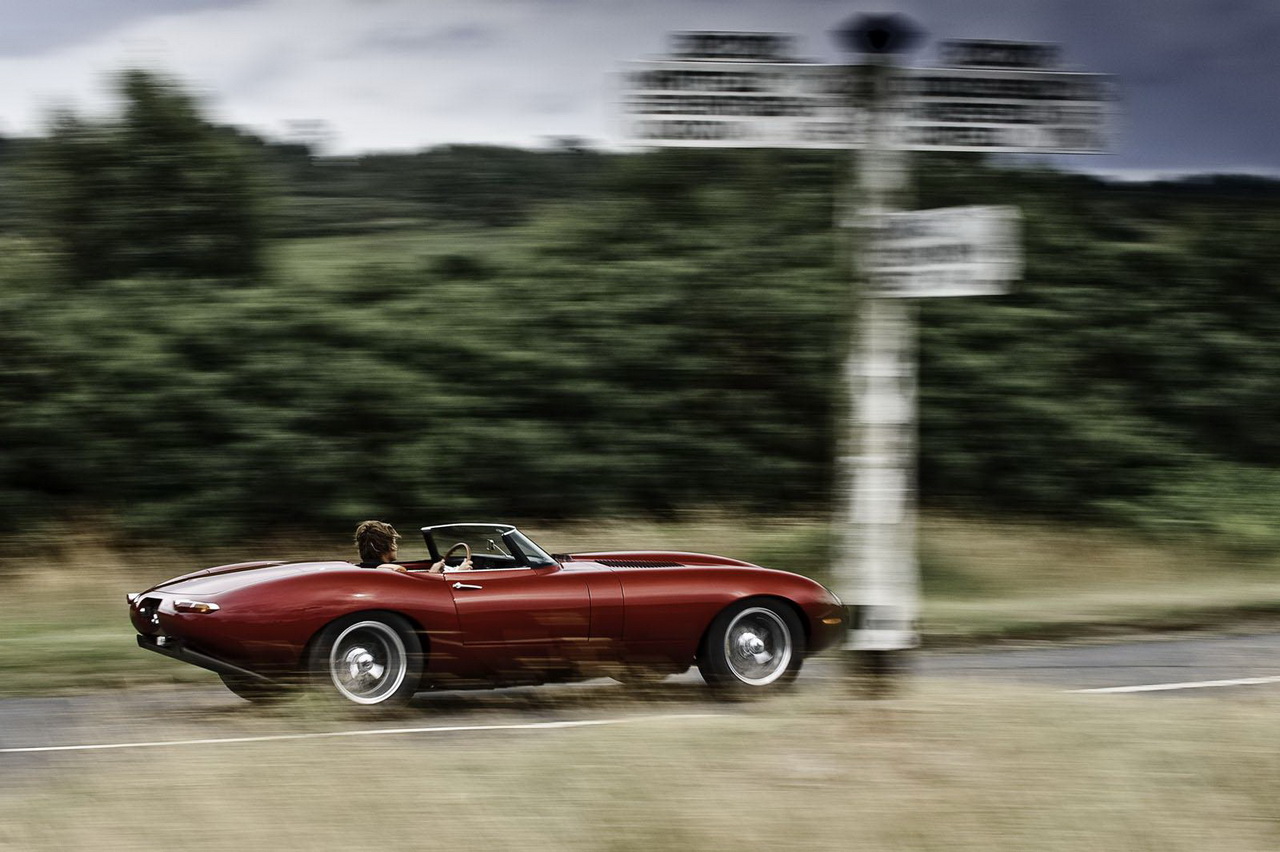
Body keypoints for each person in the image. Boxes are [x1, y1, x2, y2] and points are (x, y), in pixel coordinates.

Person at [353, 520, 470, 574]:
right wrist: (459, 572)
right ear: (389, 545)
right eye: (394, 541)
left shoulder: (362, 570)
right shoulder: (393, 572)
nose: (396, 546)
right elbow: (419, 594)